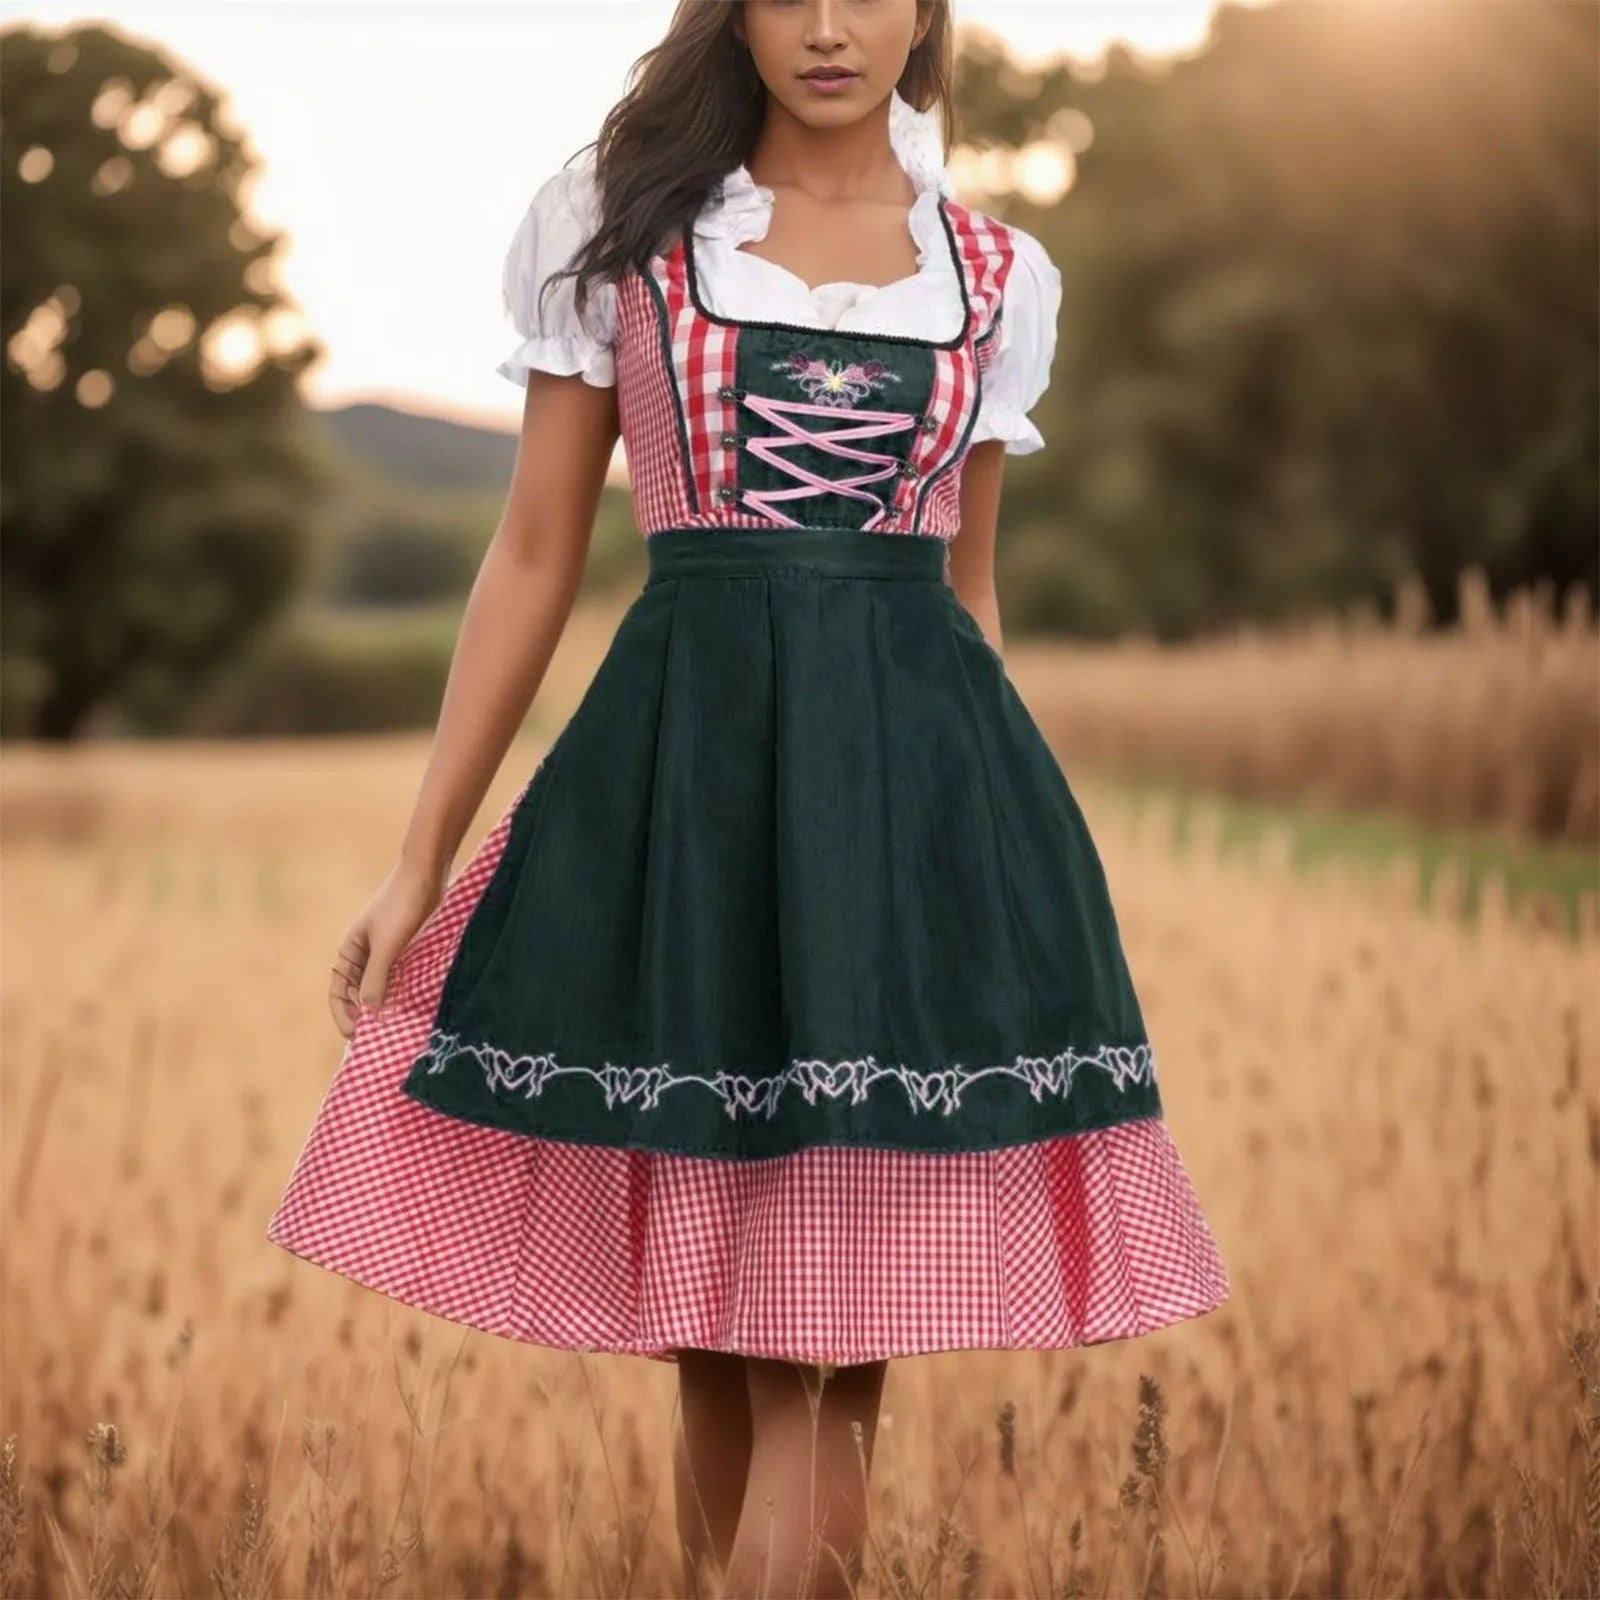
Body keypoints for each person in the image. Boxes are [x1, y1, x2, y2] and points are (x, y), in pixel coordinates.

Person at [266, 2, 1232, 1595]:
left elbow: (968, 594)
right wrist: (417, 857)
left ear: (925, 10)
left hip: (913, 809)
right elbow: (531, 554)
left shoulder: (996, 275)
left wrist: (979, 851)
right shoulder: (620, 220)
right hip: (688, 799)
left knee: (830, 1343)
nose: (830, 25)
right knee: (712, 1325)